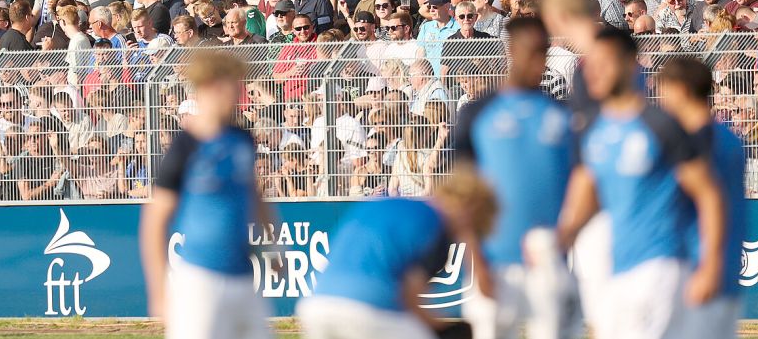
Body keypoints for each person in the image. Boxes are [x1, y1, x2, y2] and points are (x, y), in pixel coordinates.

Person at [557, 28, 726, 339]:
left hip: (659, 266)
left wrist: (712, 264)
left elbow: (709, 195)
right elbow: (585, 198)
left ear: (629, 64)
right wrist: (558, 241)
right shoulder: (592, 130)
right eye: (591, 63)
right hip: (616, 266)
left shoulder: (660, 125)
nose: (595, 71)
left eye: (605, 62)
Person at [455, 17, 578, 339]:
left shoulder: (561, 114)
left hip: (550, 261)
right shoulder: (477, 113)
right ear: (511, 51)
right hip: (494, 260)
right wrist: (475, 261)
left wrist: (565, 238)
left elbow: (581, 184)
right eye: (529, 52)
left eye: (542, 52)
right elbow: (461, 194)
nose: (537, 61)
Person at [141, 51, 273, 339]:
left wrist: (274, 247)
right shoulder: (185, 147)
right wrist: (159, 291)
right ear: (209, 88)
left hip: (242, 277)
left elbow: (253, 193)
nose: (237, 96)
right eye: (230, 87)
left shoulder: (242, 139)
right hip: (199, 280)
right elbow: (154, 220)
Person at [298, 166, 496, 339]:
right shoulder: (435, 224)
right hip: (367, 309)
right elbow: (410, 292)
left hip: (315, 306)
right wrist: (441, 328)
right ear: (470, 211)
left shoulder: (381, 204)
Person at [657, 58, 745, 339]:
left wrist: (707, 267)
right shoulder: (727, 137)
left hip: (700, 270)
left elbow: (711, 201)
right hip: (722, 270)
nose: (659, 97)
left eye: (662, 89)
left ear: (680, 90)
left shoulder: (698, 141)